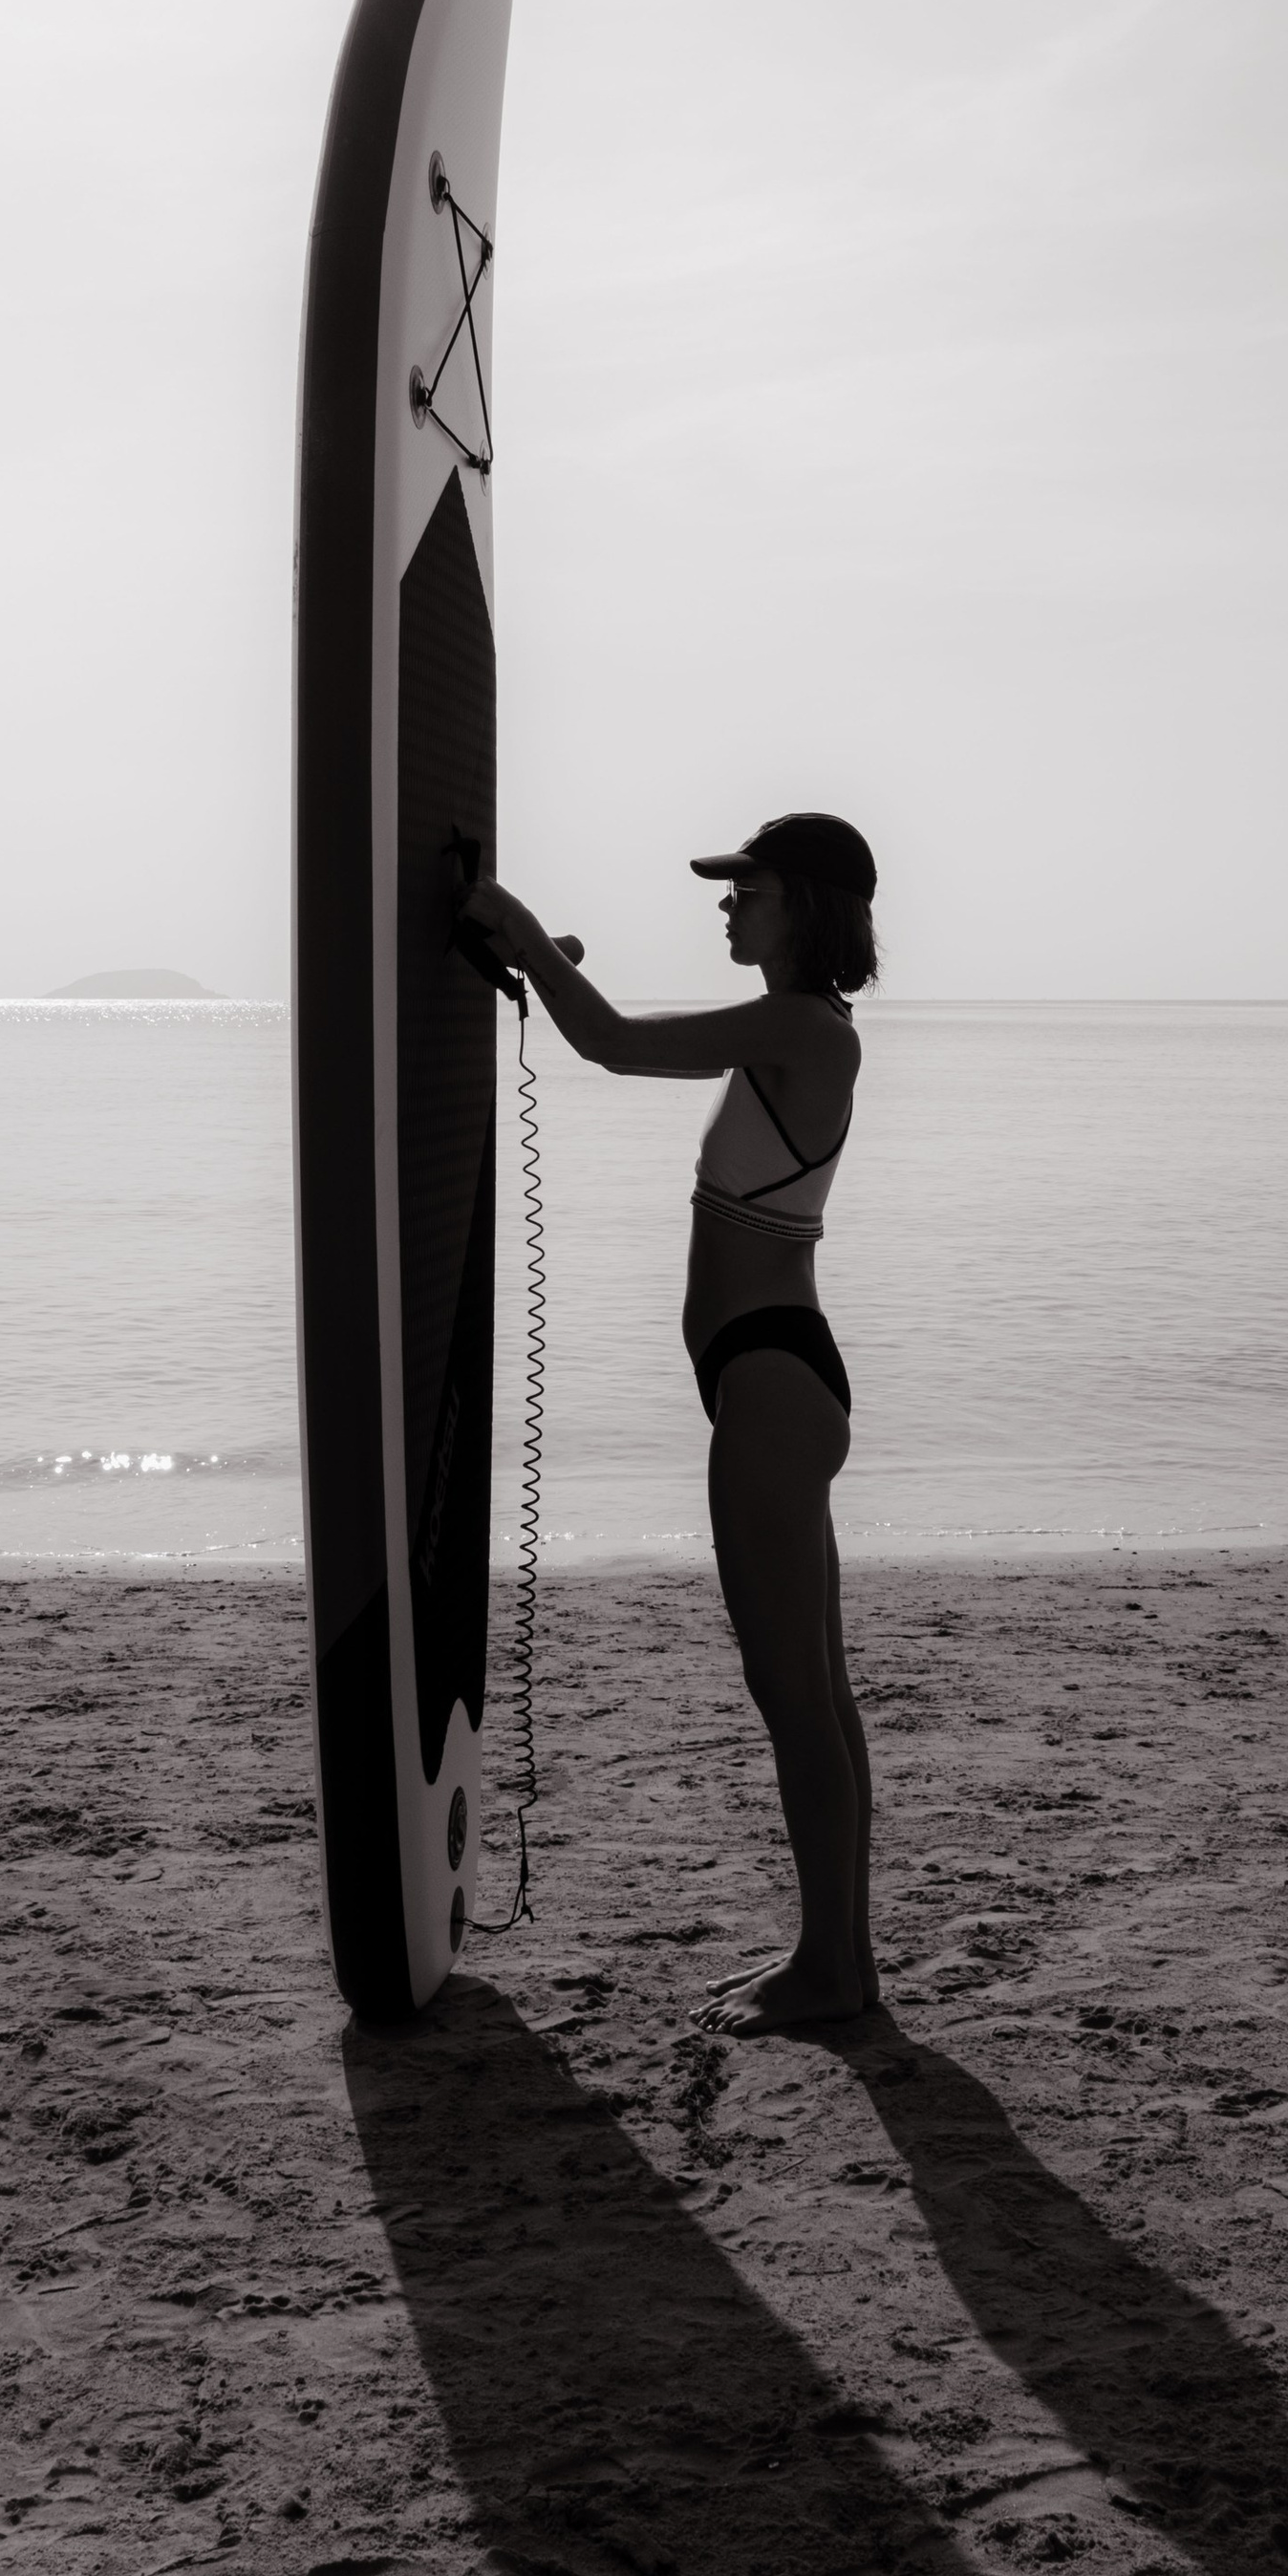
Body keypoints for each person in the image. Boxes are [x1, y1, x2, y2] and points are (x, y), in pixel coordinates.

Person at [462, 812, 879, 2033]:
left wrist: (520, 929)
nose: (724, 905)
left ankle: (826, 1969)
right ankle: (843, 1965)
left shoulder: (800, 1027)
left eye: (742, 887)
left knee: (793, 1692)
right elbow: (608, 1024)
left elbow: (607, 1045)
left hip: (770, 1385)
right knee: (817, 1692)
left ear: (801, 902)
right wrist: (544, 958)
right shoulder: (799, 1032)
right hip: (774, 1379)